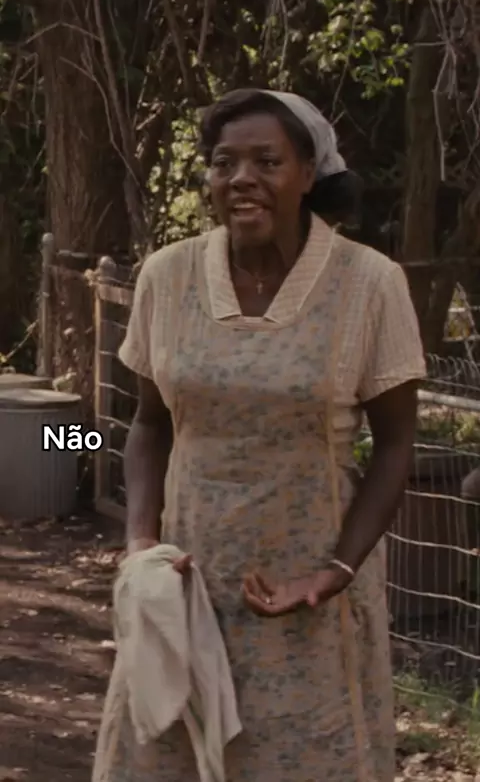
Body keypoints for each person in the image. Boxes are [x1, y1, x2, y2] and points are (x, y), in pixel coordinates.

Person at [93, 88, 426, 782]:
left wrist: (334, 572)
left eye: (266, 162)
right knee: (168, 755)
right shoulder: (168, 276)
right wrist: (141, 546)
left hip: (307, 592)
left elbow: (397, 444)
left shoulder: (369, 285)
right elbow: (149, 423)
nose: (241, 178)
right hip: (185, 585)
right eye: (224, 163)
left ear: (309, 172)